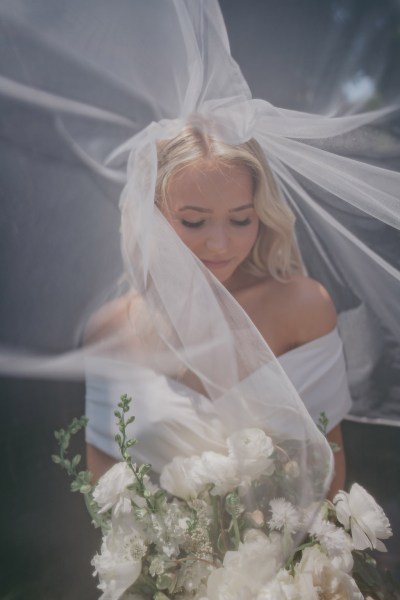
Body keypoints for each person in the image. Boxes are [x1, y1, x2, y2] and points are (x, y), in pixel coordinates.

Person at [85, 124, 350, 498]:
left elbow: (330, 470)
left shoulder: (302, 308)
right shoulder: (110, 330)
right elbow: (104, 488)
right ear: (150, 214)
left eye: (241, 219)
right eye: (194, 221)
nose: (220, 243)